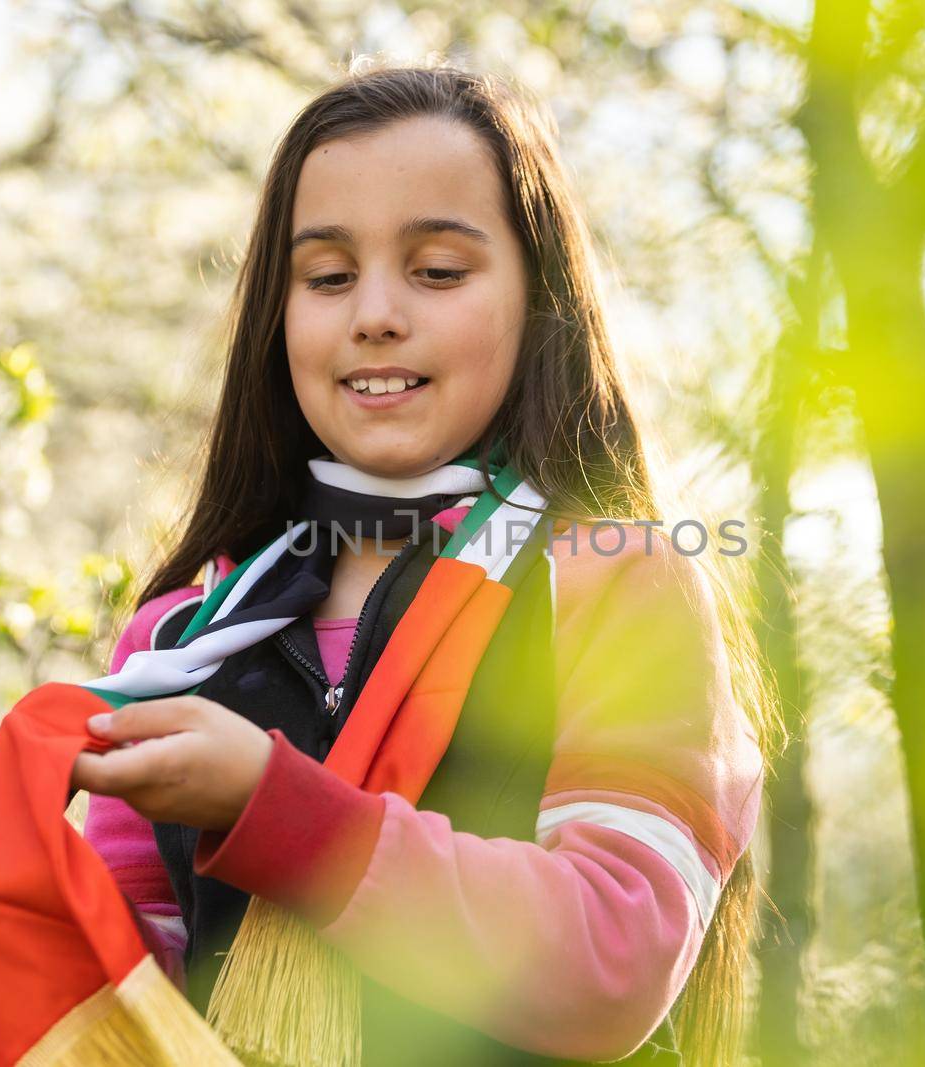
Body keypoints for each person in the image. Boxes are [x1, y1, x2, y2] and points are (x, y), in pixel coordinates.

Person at [69, 61, 774, 1066]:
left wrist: (279, 811)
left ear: (540, 300)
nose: (375, 314)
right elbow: (121, 1000)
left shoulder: (613, 585)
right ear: (278, 315)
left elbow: (613, 954)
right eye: (326, 276)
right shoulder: (182, 635)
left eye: (437, 270)